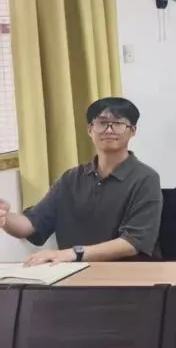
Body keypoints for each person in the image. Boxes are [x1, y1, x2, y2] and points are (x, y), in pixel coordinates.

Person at [0, 97, 162, 265]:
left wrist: (73, 253)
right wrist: (4, 216)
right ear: (90, 130)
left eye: (118, 124)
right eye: (102, 123)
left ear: (132, 131)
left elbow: (133, 242)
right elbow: (31, 225)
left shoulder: (145, 178)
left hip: (128, 274)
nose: (109, 130)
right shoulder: (71, 178)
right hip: (74, 273)